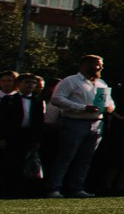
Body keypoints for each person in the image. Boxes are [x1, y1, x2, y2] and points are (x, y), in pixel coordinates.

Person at [46, 55, 116, 199]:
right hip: (74, 122)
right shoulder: (70, 81)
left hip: (96, 124)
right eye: (98, 65)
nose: (101, 68)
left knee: (85, 159)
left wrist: (109, 107)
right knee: (65, 157)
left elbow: (110, 101)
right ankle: (54, 188)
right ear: (86, 65)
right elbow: (57, 99)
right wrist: (82, 107)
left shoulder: (101, 83)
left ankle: (76, 188)